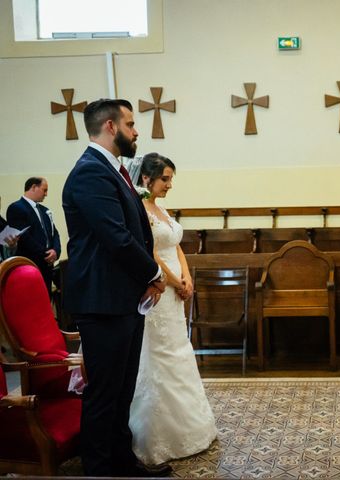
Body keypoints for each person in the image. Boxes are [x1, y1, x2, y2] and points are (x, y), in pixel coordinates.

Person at [62, 99, 171, 477]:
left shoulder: (114, 170)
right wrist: (154, 274)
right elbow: (117, 237)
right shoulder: (90, 173)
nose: (136, 130)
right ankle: (98, 468)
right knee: (105, 392)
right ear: (110, 126)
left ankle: (122, 461)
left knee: (123, 387)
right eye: (130, 123)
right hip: (101, 299)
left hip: (122, 297)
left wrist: (144, 278)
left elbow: (133, 232)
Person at [129, 153, 217, 465]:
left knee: (180, 352)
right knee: (159, 358)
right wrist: (174, 283)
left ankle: (191, 427)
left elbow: (176, 245)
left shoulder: (161, 210)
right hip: (158, 292)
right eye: (164, 179)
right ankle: (158, 435)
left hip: (176, 292)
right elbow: (150, 253)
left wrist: (188, 277)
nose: (169, 184)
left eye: (170, 178)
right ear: (146, 179)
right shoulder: (139, 210)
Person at [6, 177, 61, 295]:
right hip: (30, 264)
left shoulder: (45, 210)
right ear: (33, 187)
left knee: (46, 298)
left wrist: (56, 251)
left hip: (47, 265)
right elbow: (25, 237)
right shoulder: (16, 208)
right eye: (44, 190)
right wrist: (46, 253)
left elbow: (54, 233)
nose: (46, 194)